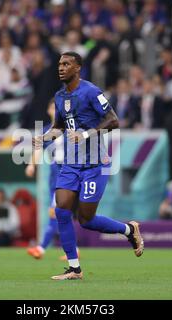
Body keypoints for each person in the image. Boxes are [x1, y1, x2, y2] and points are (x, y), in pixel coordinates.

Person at [33, 52, 144, 280]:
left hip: (95, 164)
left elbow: (114, 120)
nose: (61, 68)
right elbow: (59, 128)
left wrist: (86, 134)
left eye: (66, 64)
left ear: (78, 68)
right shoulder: (59, 96)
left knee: (86, 220)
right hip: (71, 164)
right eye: (59, 64)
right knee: (61, 210)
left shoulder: (91, 91)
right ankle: (75, 268)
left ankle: (129, 230)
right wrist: (43, 137)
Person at [26, 99, 79, 260]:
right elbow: (37, 149)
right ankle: (73, 249)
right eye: (52, 107)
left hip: (66, 175)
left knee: (55, 212)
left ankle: (41, 248)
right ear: (49, 110)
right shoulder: (46, 131)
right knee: (62, 214)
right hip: (53, 176)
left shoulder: (70, 129)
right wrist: (31, 165)